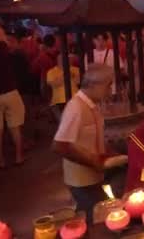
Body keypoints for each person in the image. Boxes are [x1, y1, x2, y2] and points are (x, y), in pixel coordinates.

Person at [52, 64, 115, 223]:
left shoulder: (91, 106)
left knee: (92, 214)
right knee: (97, 218)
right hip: (81, 180)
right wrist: (92, 161)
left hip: (93, 176)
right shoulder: (76, 108)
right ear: (94, 85)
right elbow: (60, 145)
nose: (110, 91)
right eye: (108, 86)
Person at [0, 23, 25, 168]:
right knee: (15, 127)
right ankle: (18, 157)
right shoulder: (0, 48)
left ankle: (1, 161)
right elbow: (3, 38)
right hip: (10, 92)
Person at [46, 54, 80, 122]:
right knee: (65, 122)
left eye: (66, 59)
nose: (63, 61)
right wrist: (66, 75)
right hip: (58, 101)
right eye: (61, 59)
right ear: (57, 60)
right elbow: (54, 84)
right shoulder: (51, 72)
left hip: (75, 99)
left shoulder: (76, 70)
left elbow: (80, 82)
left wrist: (73, 76)